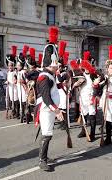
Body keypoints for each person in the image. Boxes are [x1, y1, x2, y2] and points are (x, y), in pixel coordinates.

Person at [34, 26, 64, 171]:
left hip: (50, 110)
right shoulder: (44, 77)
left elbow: (54, 91)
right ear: (51, 63)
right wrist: (57, 110)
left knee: (48, 134)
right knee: (46, 134)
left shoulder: (50, 75)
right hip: (46, 109)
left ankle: (44, 157)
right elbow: (46, 98)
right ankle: (42, 160)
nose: (58, 65)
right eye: (56, 63)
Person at [73, 51, 97, 142]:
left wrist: (94, 96)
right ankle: (84, 131)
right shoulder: (81, 75)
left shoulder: (94, 75)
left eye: (88, 64)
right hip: (83, 98)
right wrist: (75, 84)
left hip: (91, 98)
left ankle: (93, 133)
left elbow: (98, 87)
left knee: (92, 116)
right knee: (83, 115)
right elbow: (75, 84)